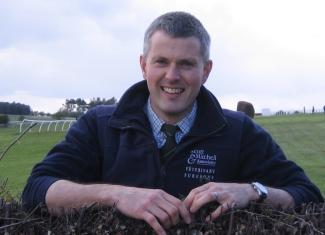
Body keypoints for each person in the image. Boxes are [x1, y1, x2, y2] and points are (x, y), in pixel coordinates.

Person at [22, 11, 323, 235]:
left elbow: (308, 197)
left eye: (186, 64)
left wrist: (253, 191)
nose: (172, 76)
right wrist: (116, 195)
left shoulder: (239, 132)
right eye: (161, 62)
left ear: (206, 70)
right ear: (143, 65)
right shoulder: (100, 125)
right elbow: (38, 188)